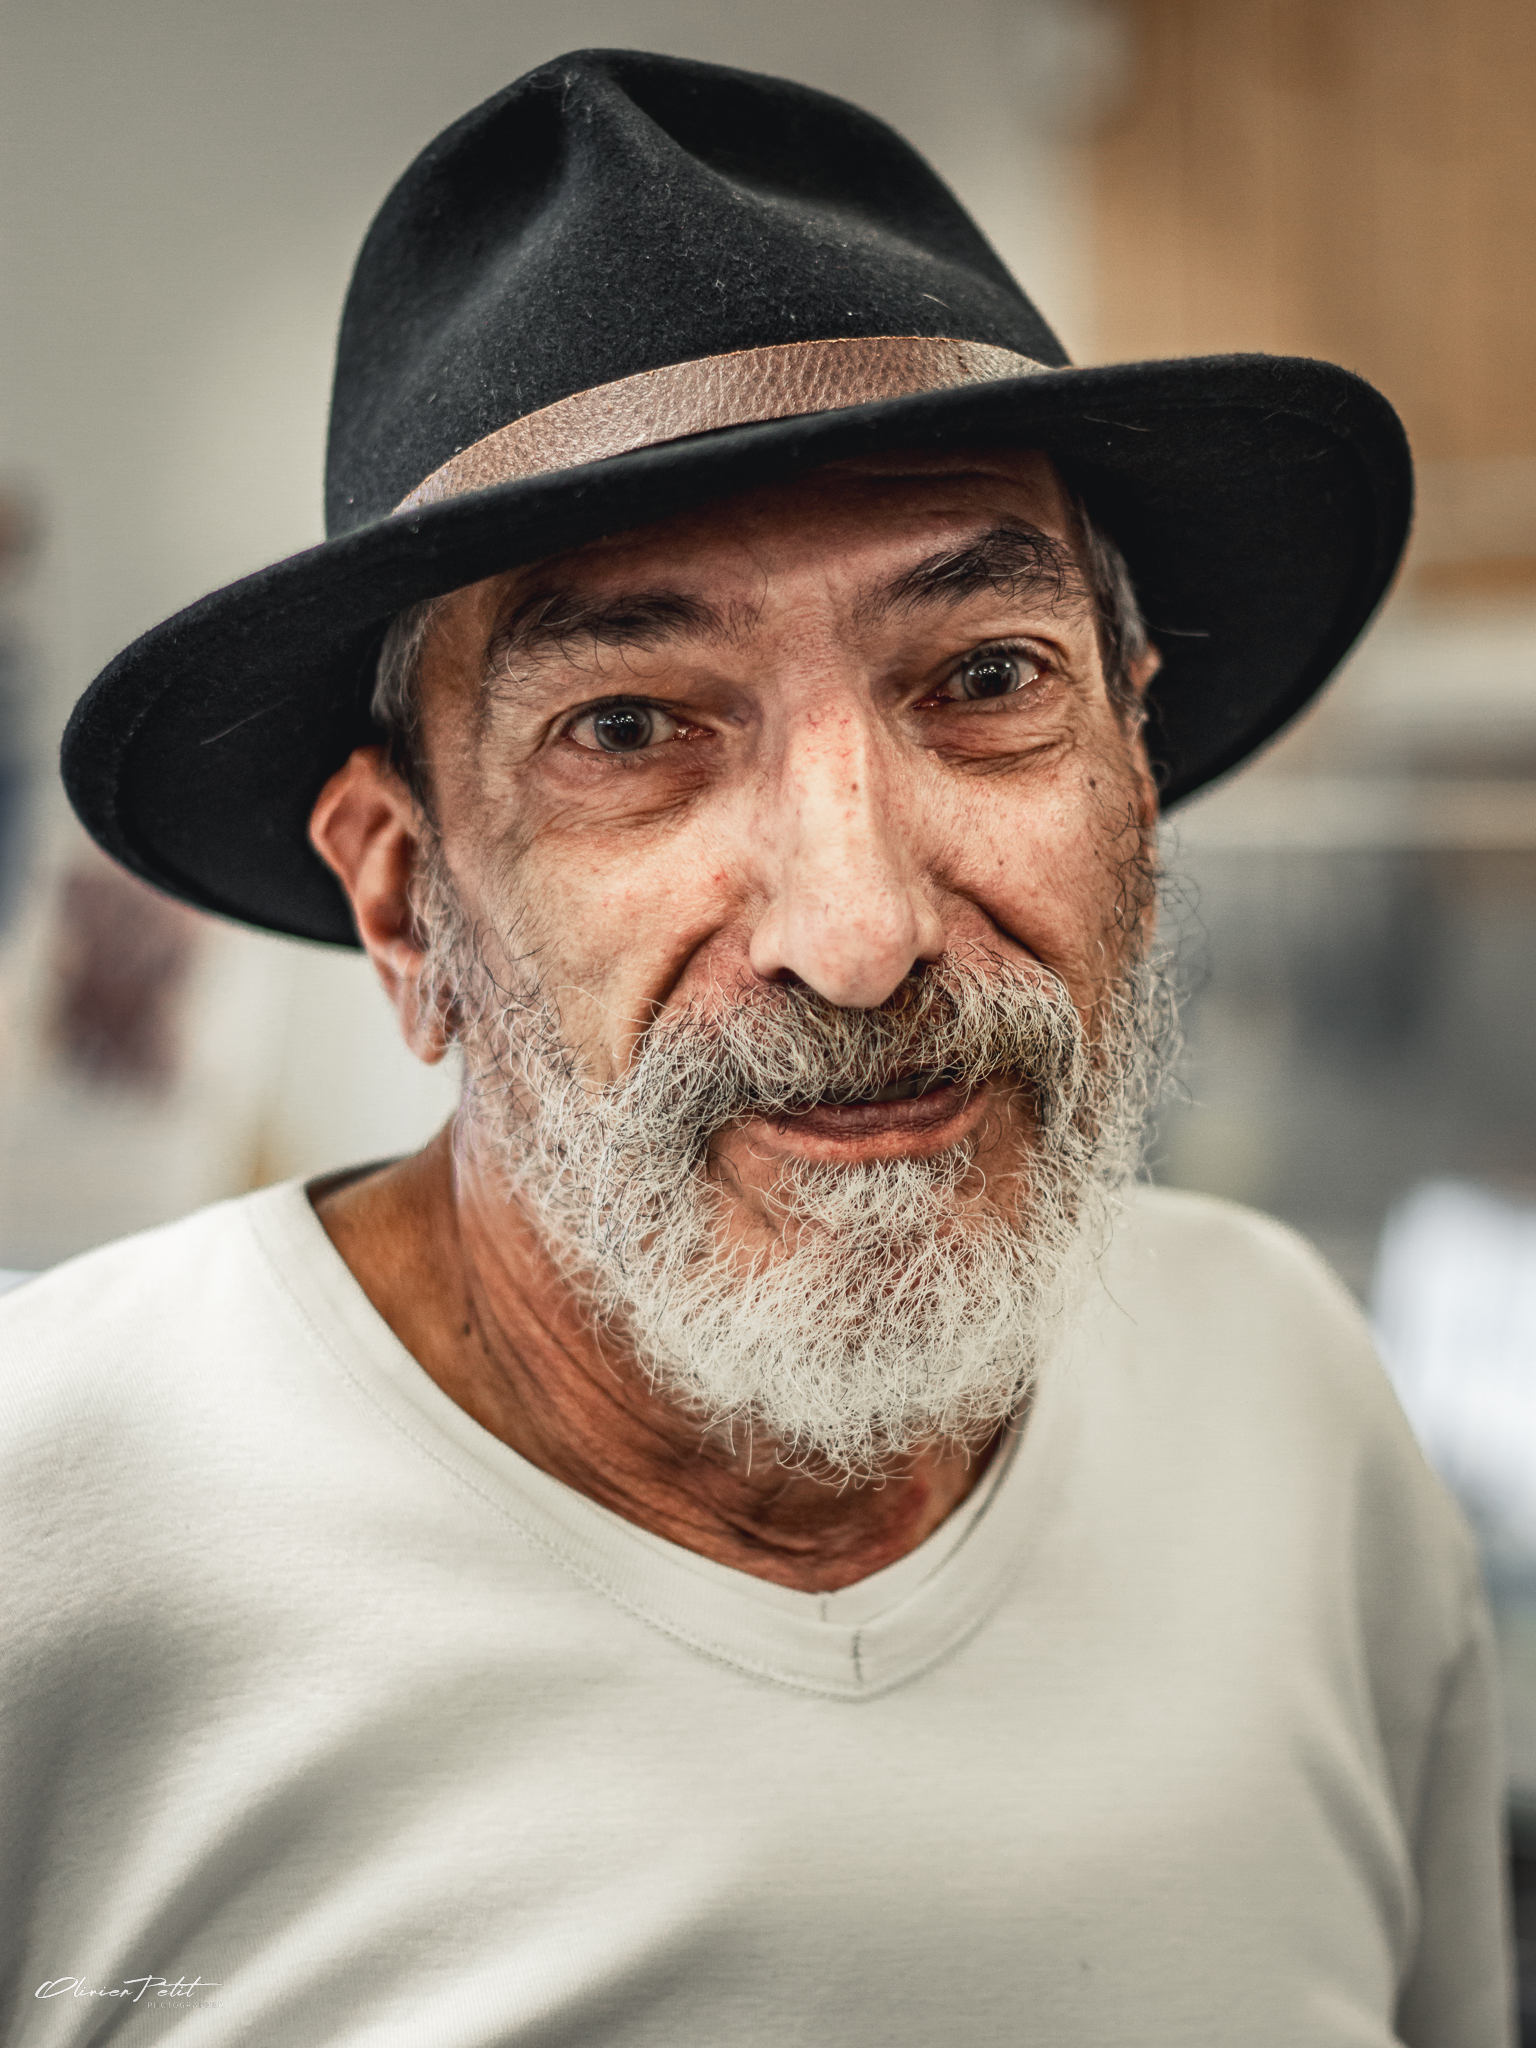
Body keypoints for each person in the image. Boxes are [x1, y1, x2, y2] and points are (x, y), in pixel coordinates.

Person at [3, 49, 1511, 2048]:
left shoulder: (1290, 1398)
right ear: (402, 896)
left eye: (986, 678)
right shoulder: (52, 1518)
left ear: (1136, 765)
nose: (861, 935)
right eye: (630, 729)